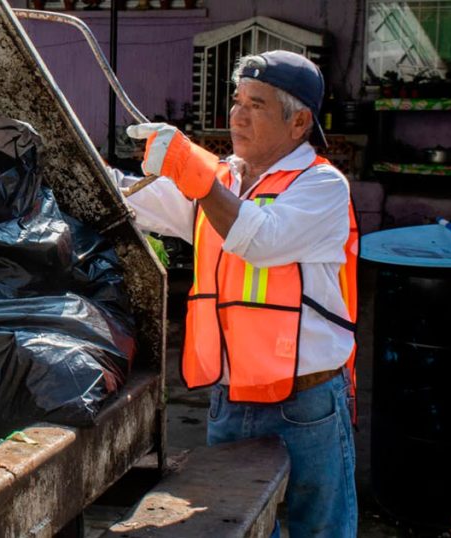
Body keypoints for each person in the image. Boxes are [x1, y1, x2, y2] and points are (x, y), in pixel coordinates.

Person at [120, 50, 359, 537]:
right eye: (236, 101)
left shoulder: (322, 185)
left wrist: (198, 178)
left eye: (257, 104)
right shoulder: (227, 181)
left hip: (305, 403)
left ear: (299, 123)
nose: (237, 115)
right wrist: (80, 167)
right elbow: (141, 202)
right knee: (240, 527)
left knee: (322, 529)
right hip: (230, 400)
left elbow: (261, 239)